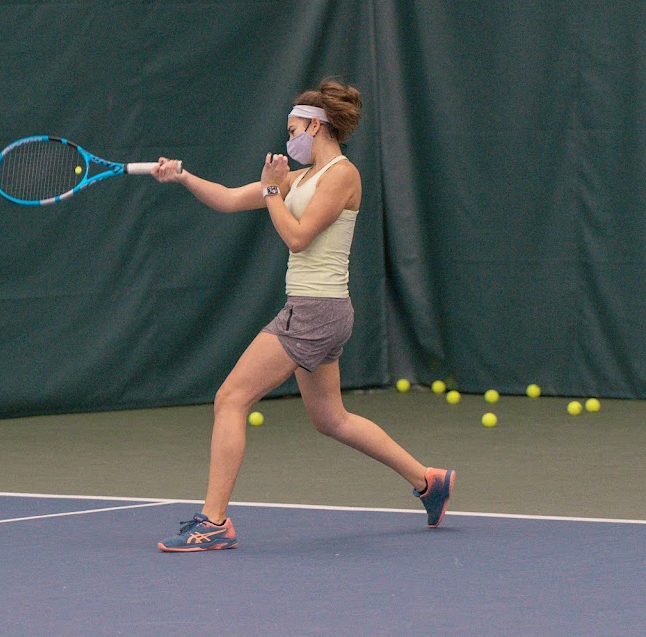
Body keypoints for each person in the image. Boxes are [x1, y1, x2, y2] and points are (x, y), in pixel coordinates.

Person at [150, 79, 454, 552]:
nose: (289, 139)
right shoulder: (301, 177)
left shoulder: (341, 175)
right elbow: (229, 198)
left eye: (293, 130)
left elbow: (297, 238)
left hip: (315, 310)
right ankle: (428, 481)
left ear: (316, 126)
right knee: (331, 418)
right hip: (322, 312)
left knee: (230, 398)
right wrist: (183, 177)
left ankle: (213, 522)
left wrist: (273, 189)